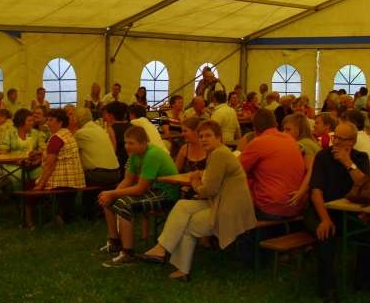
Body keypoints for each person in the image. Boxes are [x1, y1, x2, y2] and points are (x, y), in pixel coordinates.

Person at [142, 120, 257, 280]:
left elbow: (208, 191)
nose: (203, 139)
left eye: (208, 135)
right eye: (201, 136)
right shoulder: (218, 152)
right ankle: (162, 248)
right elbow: (213, 181)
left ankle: (182, 269)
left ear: (219, 137)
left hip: (230, 210)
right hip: (222, 202)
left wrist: (195, 182)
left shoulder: (219, 154)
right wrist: (200, 178)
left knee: (188, 223)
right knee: (183, 205)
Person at [304, 121, 370, 303]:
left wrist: (348, 163)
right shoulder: (323, 157)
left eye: (342, 139)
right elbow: (316, 192)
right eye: (336, 138)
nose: (337, 142)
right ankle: (328, 288)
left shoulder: (360, 158)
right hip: (321, 210)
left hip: (348, 212)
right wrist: (325, 219)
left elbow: (365, 186)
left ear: (352, 141)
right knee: (326, 235)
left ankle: (362, 281)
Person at [98, 125, 179, 267]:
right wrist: (111, 195)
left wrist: (113, 193)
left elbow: (140, 189)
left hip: (166, 193)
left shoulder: (152, 155)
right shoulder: (135, 155)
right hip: (153, 190)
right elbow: (128, 180)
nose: (127, 146)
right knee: (108, 201)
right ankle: (114, 242)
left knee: (124, 205)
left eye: (131, 143)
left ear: (143, 143)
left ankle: (128, 254)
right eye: (125, 142)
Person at [239, 108, 305, 220]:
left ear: (255, 129)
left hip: (271, 208)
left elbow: (235, 169)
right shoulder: (290, 139)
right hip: (296, 207)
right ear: (276, 124)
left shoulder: (259, 142)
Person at [27, 108, 86, 226]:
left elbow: (50, 165)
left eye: (51, 120)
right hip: (75, 179)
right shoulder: (68, 134)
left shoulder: (56, 138)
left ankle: (29, 221)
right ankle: (59, 216)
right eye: (47, 119)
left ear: (60, 122)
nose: (48, 122)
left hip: (61, 180)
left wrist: (40, 184)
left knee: (29, 186)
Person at [174, 116, 206, 198]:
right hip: (187, 190)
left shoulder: (208, 148)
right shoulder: (184, 149)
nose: (182, 134)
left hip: (206, 191)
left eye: (185, 131)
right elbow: (175, 172)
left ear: (196, 131)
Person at [102, 101, 130, 173]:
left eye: (105, 114)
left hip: (120, 168)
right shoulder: (132, 126)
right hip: (132, 166)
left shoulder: (111, 130)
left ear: (111, 115)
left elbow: (112, 153)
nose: (104, 117)